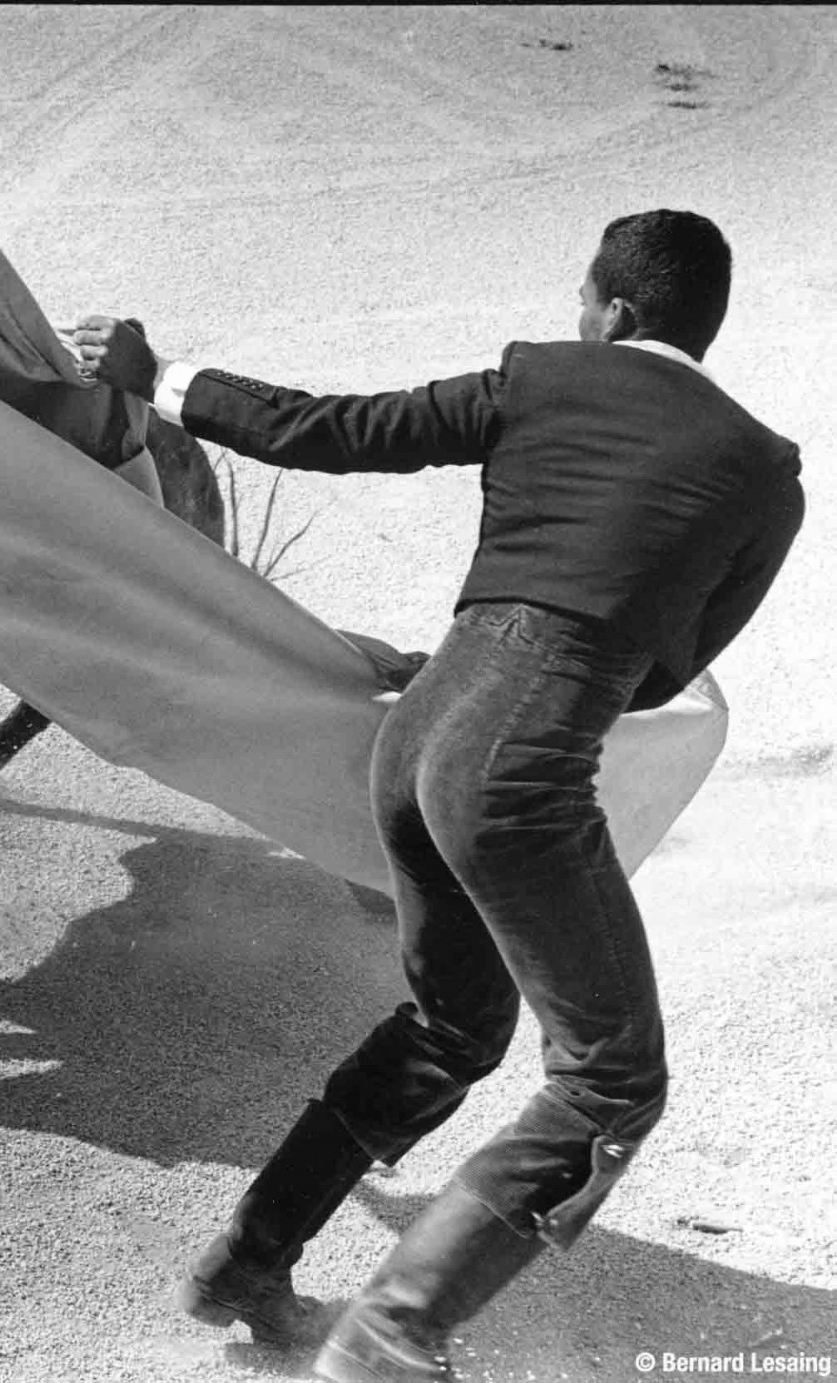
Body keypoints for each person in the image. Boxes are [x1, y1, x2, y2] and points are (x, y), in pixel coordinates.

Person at [73, 210, 804, 1382]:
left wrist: (157, 373)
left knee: (453, 1025)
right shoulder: (763, 472)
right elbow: (660, 673)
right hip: (514, 772)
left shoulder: (540, 378)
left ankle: (245, 1260)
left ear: (610, 312)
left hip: (413, 741)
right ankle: (392, 1334)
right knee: (609, 1078)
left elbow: (328, 430)